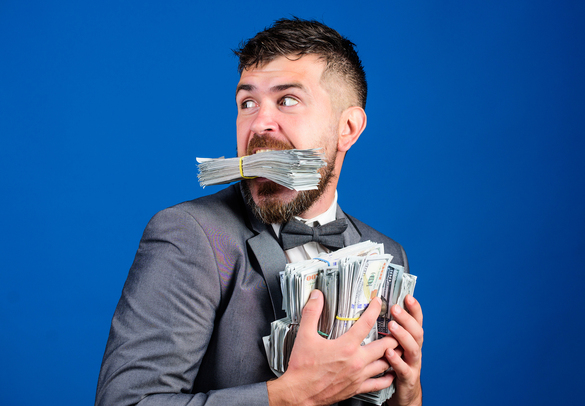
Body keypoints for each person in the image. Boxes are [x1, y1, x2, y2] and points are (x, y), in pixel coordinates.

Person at [95, 17, 423, 406]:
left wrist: (408, 396)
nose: (260, 123)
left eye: (287, 100)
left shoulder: (386, 252)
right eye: (247, 103)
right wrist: (289, 396)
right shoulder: (190, 234)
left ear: (347, 128)